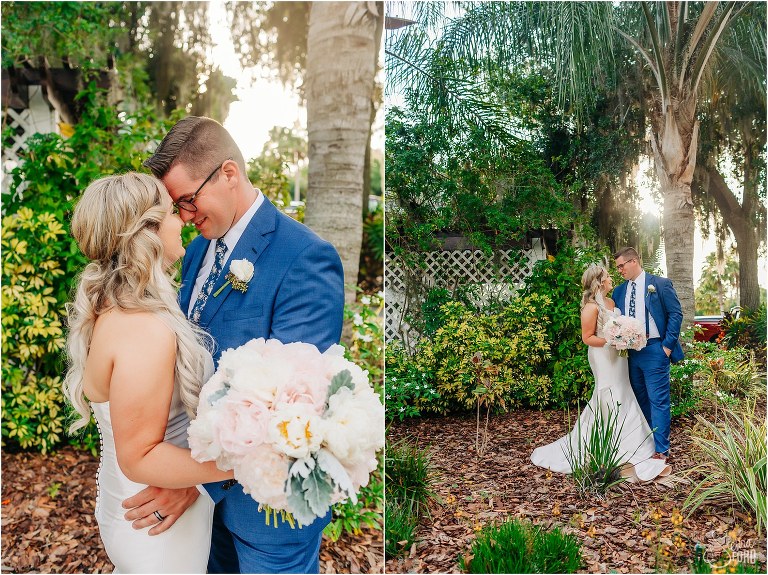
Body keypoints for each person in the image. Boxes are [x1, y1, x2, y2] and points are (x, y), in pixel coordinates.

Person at [122, 116, 345, 574]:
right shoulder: (197, 252)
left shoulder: (304, 257)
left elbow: (291, 406)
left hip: (268, 513)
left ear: (228, 173)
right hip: (204, 512)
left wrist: (194, 483)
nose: (185, 217)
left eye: (188, 200)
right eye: (177, 207)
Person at [63, 172, 234, 573]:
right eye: (173, 212)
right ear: (147, 230)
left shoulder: (116, 308)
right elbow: (139, 457)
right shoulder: (142, 328)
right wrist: (249, 462)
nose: (183, 220)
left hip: (139, 511)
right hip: (156, 525)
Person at [531, 264, 671, 481]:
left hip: (619, 356)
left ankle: (632, 441)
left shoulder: (612, 302)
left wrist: (626, 338)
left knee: (624, 391)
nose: (611, 278)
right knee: (609, 393)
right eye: (607, 276)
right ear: (599, 282)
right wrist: (612, 341)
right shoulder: (590, 307)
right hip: (603, 356)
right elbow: (587, 338)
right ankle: (606, 442)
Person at [612, 247, 683, 461]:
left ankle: (661, 451)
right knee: (639, 399)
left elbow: (675, 314)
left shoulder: (659, 284)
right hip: (630, 354)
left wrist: (666, 347)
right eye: (617, 268)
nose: (619, 270)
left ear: (634, 261)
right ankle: (646, 444)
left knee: (658, 400)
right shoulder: (619, 292)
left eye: (621, 266)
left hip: (655, 350)